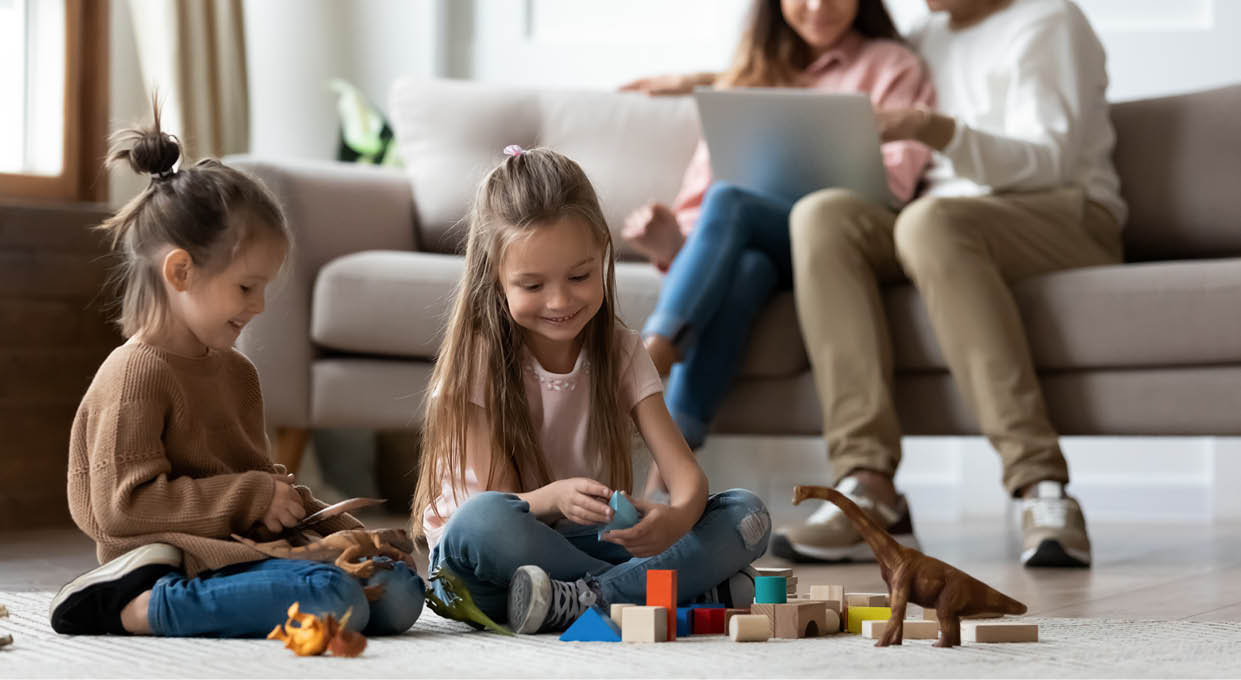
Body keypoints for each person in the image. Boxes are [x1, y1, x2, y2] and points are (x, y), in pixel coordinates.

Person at [49, 103, 425, 637]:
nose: (260, 305)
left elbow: (261, 486)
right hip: (171, 562)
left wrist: (344, 531)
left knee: (399, 592)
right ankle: (127, 607)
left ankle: (293, 586)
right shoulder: (135, 375)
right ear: (180, 271)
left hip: (236, 549)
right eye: (247, 287)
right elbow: (121, 508)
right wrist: (253, 496)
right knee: (333, 596)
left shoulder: (236, 373)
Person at [778, 0, 1125, 567]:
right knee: (822, 215)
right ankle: (867, 484)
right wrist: (697, 83)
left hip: (1064, 213)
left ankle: (1042, 486)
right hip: (942, 222)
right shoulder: (925, 35)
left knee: (930, 222)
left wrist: (929, 128)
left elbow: (1050, 162)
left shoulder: (1048, 19)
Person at [410, 146, 771, 635]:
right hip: (483, 565)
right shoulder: (477, 361)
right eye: (532, 286)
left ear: (603, 252)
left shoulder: (622, 351)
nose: (560, 301)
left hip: (574, 549)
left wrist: (676, 517)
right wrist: (555, 497)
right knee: (483, 522)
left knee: (746, 514)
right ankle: (671, 590)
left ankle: (587, 599)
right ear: (494, 279)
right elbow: (489, 505)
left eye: (579, 276)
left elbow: (687, 478)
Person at [619, 0, 935, 479]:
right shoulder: (749, 78)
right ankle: (669, 476)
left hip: (844, 241)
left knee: (732, 202)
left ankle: (649, 359)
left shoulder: (892, 66)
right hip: (760, 251)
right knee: (747, 268)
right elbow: (698, 200)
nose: (818, 6)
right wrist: (672, 239)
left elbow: (894, 182)